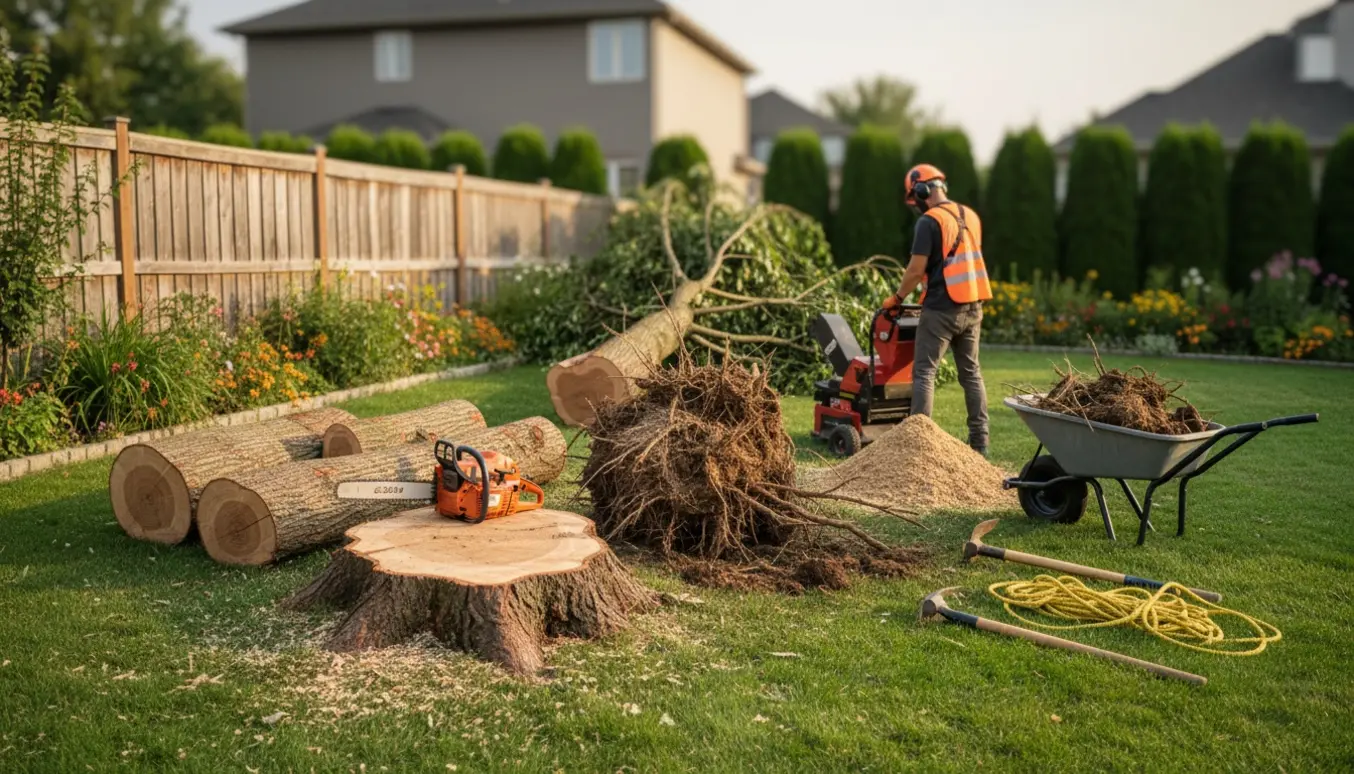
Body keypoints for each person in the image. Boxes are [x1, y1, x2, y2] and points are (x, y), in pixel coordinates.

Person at [882, 163, 993, 456]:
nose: (915, 204)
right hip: (973, 306)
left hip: (941, 310)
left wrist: (897, 297)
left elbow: (916, 269)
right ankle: (980, 442)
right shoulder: (971, 216)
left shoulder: (929, 222)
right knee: (971, 374)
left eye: (914, 197)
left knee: (924, 374)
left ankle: (918, 447)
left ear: (921, 190)